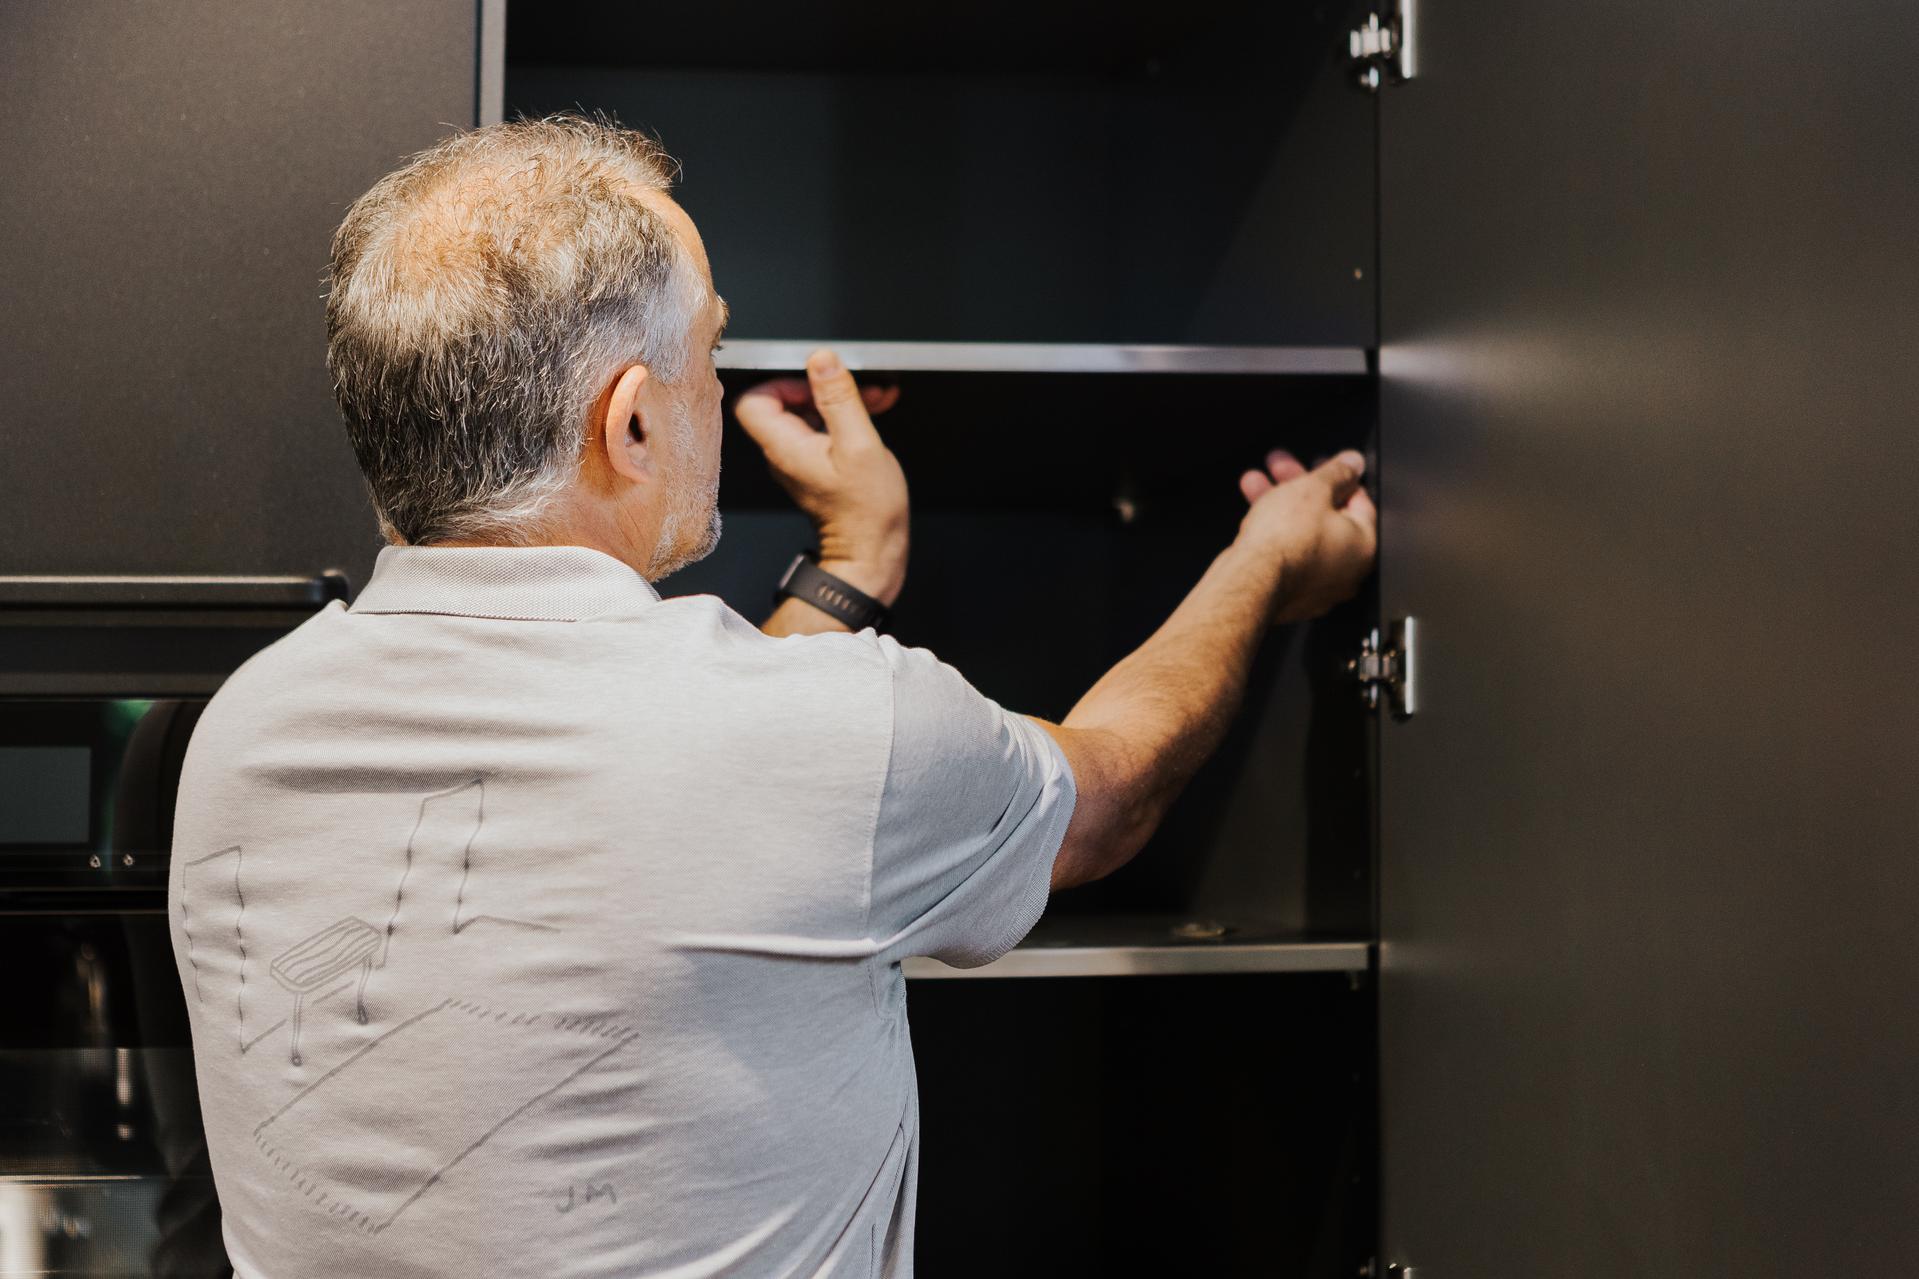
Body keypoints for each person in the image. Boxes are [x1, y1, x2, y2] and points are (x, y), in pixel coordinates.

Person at [166, 115, 1376, 1278]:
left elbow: (660, 784)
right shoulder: (833, 734)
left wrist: (851, 568)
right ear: (630, 420)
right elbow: (1104, 792)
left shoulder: (243, 729)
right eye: (710, 351)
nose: (719, 391)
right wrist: (1262, 562)